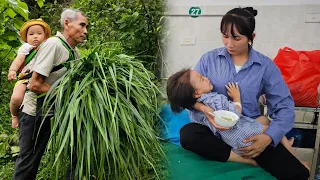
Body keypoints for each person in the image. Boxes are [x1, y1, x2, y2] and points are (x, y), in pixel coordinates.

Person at [178, 7, 310, 179]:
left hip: (247, 132)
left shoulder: (265, 67)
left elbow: (284, 108)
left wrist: (268, 138)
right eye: (225, 36)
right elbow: (188, 93)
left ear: (251, 38)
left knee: (296, 174)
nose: (229, 44)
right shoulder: (209, 59)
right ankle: (243, 159)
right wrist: (203, 109)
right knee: (188, 134)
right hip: (215, 132)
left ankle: (292, 162)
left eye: (236, 38)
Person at [167, 68, 310, 170]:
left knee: (264, 120)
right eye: (202, 79)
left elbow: (186, 103)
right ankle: (294, 155)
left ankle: (285, 143)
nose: (206, 78)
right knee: (273, 129)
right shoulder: (215, 100)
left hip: (231, 139)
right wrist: (236, 98)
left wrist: (200, 106)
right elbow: (235, 114)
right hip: (242, 134)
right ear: (196, 93)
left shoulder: (193, 110)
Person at [12, 8, 88, 180]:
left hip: (47, 112)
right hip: (33, 113)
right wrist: (68, 95)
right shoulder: (54, 44)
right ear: (67, 23)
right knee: (28, 162)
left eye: (87, 27)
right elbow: (35, 84)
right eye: (82, 25)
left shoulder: (74, 53)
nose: (85, 31)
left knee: (35, 160)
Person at [7, 19, 51, 129]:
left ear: (45, 36)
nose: (35, 37)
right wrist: (12, 70)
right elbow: (19, 60)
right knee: (16, 98)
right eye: (31, 34)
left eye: (39, 33)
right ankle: (14, 115)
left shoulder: (48, 46)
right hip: (25, 78)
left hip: (41, 78)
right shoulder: (26, 47)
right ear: (26, 37)